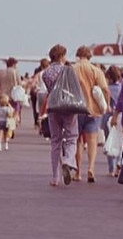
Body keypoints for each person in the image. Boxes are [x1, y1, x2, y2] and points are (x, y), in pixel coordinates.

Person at [71, 46, 110, 183]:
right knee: (92, 141)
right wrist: (107, 105)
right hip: (93, 110)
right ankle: (91, 168)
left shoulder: (72, 69)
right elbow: (105, 89)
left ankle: (78, 172)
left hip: (76, 109)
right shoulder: (96, 70)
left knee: (78, 141)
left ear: (78, 55)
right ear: (89, 56)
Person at [42, 44, 79, 187]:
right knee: (71, 137)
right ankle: (68, 160)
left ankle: (55, 177)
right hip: (68, 106)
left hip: (53, 106)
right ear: (62, 56)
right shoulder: (68, 70)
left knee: (55, 141)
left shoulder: (46, 73)